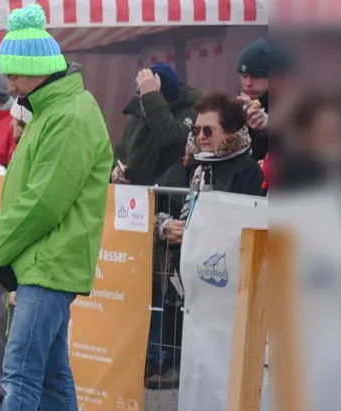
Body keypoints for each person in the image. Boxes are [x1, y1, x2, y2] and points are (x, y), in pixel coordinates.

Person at [0, 6, 112, 411]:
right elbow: (36, 198)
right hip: (44, 261)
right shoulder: (56, 110)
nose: (8, 80)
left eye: (14, 71)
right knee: (50, 375)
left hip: (48, 263)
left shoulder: (68, 116)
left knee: (22, 376)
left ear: (39, 67)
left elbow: (43, 202)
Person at [145, 93, 268, 389]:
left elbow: (247, 224)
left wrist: (198, 233)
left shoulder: (247, 172)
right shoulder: (188, 165)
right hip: (179, 273)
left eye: (208, 130)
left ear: (231, 132)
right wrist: (163, 226)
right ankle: (174, 363)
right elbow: (153, 200)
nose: (200, 137)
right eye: (196, 130)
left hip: (222, 279)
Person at [112, 63, 199, 187]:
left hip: (169, 201)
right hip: (135, 201)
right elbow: (120, 153)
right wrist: (115, 170)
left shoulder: (192, 111)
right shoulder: (140, 113)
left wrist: (151, 98)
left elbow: (172, 137)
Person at [235, 39, 277, 162]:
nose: (248, 83)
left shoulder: (290, 105)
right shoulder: (237, 106)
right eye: (244, 76)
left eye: (256, 76)